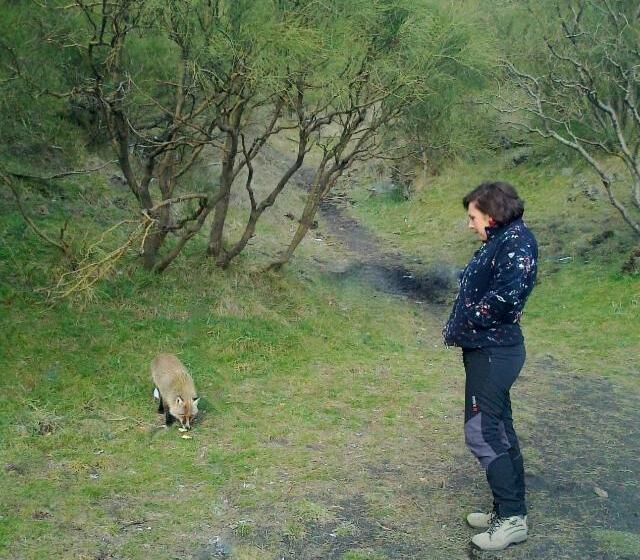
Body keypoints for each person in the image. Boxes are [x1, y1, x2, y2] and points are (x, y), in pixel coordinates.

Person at [443, 181, 538, 551]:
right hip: (488, 349)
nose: (470, 224)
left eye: (473, 217)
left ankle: (512, 520)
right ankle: (508, 508)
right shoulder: (502, 240)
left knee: (482, 433)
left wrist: (467, 316)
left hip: (494, 351)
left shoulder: (515, 242)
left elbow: (506, 298)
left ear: (492, 214)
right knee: (499, 428)